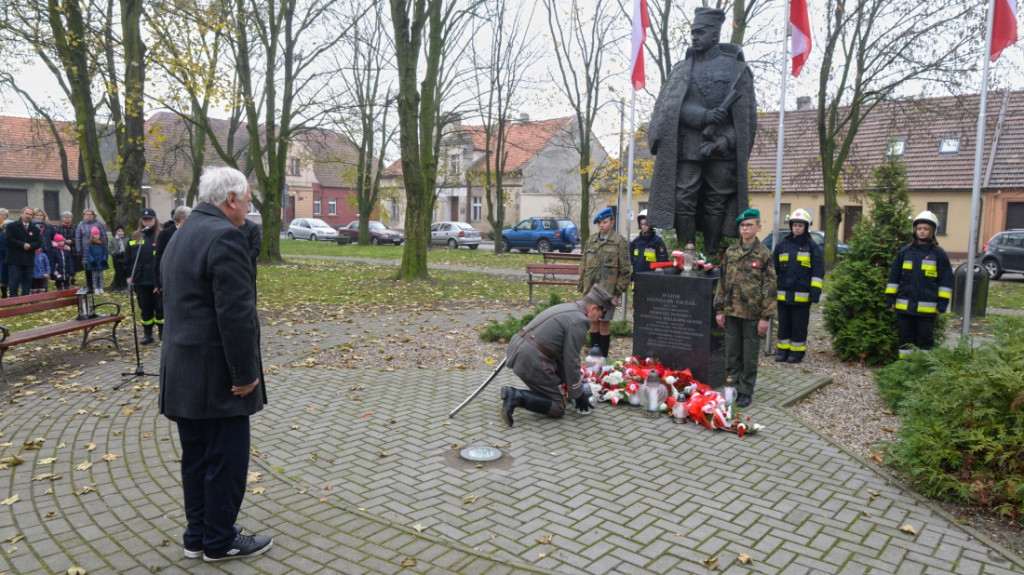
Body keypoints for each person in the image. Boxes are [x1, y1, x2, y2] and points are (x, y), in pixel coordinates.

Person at [159, 165, 272, 562]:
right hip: (217, 376)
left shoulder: (181, 231)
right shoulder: (225, 236)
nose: (248, 208)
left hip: (183, 371)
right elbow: (236, 315)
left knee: (197, 459)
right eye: (247, 200)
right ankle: (219, 540)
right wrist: (245, 375)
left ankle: (198, 535)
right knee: (225, 461)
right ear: (231, 199)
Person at [646, 7, 758, 260]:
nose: (694, 37)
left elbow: (746, 117)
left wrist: (724, 141)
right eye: (693, 32)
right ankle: (686, 254)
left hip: (722, 149)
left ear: (715, 35)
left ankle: (710, 255)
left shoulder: (735, 68)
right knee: (684, 197)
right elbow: (670, 107)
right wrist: (703, 116)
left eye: (700, 32)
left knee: (716, 200)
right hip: (688, 146)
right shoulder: (682, 69)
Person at [500, 285, 616, 427]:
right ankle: (515, 396)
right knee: (558, 407)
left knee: (556, 384)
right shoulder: (580, 321)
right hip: (532, 359)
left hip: (519, 348)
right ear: (593, 308)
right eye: (600, 315)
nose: (598, 320)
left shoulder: (570, 308)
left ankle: (525, 395)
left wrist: (572, 386)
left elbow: (561, 354)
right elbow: (571, 359)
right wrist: (578, 395)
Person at [714, 208, 776, 408]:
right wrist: (719, 310)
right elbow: (722, 282)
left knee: (749, 356)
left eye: (749, 225)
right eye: (742, 225)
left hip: (752, 315)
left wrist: (765, 317)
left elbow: (770, 287)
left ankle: (746, 390)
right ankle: (732, 386)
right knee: (732, 353)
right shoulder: (731, 252)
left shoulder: (764, 254)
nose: (745, 228)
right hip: (731, 312)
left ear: (758, 227)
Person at [886, 210, 953, 358]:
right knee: (905, 342)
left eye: (926, 229)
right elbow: (894, 277)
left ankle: (922, 372)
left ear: (932, 231)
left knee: (925, 342)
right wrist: (890, 299)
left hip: (927, 310)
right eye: (919, 228)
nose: (922, 232)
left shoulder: (939, 254)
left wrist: (942, 304)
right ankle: (905, 369)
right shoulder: (905, 253)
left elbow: (946, 281)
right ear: (914, 230)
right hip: (904, 308)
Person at [771, 208, 824, 364]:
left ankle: (797, 353)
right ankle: (782, 350)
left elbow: (817, 272)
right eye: (795, 225)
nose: (797, 228)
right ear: (791, 226)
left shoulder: (812, 246)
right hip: (783, 295)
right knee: (783, 324)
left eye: (801, 225)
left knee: (799, 325)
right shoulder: (782, 245)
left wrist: (814, 293)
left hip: (802, 296)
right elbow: (773, 269)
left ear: (806, 227)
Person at [578, 207, 631, 357]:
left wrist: (617, 292)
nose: (602, 225)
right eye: (600, 222)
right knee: (593, 322)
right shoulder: (591, 241)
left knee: (604, 324)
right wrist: (581, 286)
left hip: (608, 292)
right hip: (590, 290)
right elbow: (583, 264)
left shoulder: (620, 242)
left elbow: (626, 270)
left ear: (612, 222)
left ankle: (604, 358)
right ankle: (594, 356)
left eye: (605, 222)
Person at [127, 208, 163, 344]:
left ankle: (162, 333)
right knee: (145, 308)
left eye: (150, 220)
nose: (147, 222)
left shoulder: (161, 236)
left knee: (160, 308)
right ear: (141, 221)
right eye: (145, 220)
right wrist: (128, 276)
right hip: (140, 279)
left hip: (157, 280)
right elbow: (128, 259)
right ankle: (148, 334)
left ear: (155, 220)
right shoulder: (135, 236)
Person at [155, 206, 192, 293]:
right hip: (171, 277)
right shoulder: (165, 234)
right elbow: (158, 258)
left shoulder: (193, 232)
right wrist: (158, 282)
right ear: (182, 219)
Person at [6, 207, 41, 297]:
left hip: (28, 258)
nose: (28, 216)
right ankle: (13, 299)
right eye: (26, 214)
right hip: (14, 258)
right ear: (21, 214)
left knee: (27, 280)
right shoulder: (12, 226)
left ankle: (25, 299)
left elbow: (38, 242)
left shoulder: (36, 229)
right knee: (14, 279)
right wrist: (22, 244)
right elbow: (9, 240)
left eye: (30, 214)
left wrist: (31, 246)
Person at [629, 209, 669, 274]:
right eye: (642, 224)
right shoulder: (635, 242)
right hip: (637, 278)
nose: (643, 226)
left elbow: (663, 262)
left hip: (651, 278)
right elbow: (629, 261)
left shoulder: (658, 242)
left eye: (645, 224)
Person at [54, 211, 78, 285]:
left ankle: (73, 278)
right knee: (63, 263)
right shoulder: (58, 228)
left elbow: (77, 237)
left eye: (69, 217)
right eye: (65, 217)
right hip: (62, 248)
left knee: (73, 264)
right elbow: (55, 237)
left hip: (73, 249)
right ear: (62, 218)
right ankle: (63, 277)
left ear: (71, 218)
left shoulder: (75, 227)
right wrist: (63, 242)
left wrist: (71, 241)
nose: (67, 219)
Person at [85, 226, 109, 294]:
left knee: (100, 276)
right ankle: (95, 288)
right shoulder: (89, 244)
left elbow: (105, 252)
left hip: (101, 262)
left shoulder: (102, 243)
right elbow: (88, 253)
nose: (97, 236)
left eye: (98, 234)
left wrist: (104, 259)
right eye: (95, 234)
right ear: (92, 235)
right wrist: (92, 260)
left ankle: (100, 287)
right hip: (94, 263)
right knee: (94, 276)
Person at [109, 225, 129, 291]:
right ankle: (118, 286)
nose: (120, 232)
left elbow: (129, 248)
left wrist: (126, 254)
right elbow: (110, 248)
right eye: (119, 231)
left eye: (122, 231)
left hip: (124, 258)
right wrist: (114, 254)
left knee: (124, 273)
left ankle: (124, 286)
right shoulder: (113, 240)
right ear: (116, 232)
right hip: (116, 259)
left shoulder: (127, 239)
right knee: (118, 273)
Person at [0, 208, 9, 297]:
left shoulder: (8, 226)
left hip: (5, 254)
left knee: (4, 274)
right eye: (1, 214)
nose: (2, 216)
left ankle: (4, 293)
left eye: (4, 215)